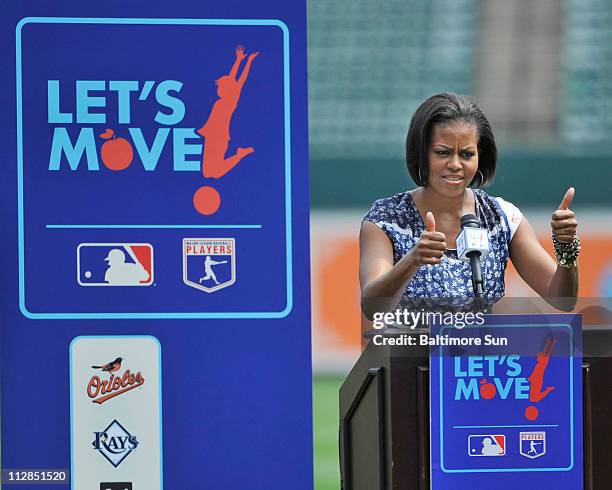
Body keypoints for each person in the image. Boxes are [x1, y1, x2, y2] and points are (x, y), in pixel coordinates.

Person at [359, 93, 580, 318]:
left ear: (479, 157)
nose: (455, 164)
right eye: (442, 152)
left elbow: (563, 301)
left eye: (466, 154)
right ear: (421, 153)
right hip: (411, 351)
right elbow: (372, 308)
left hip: (484, 351)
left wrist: (566, 247)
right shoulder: (386, 220)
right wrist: (412, 260)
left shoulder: (502, 217)